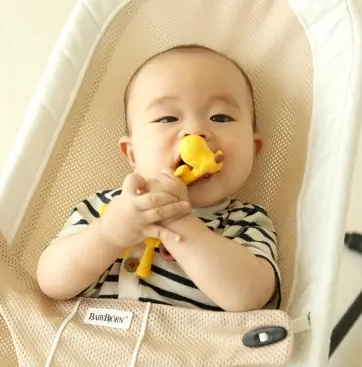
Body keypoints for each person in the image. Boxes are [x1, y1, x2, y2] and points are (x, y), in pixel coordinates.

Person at [36, 45, 280, 312]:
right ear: (132, 154)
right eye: (167, 118)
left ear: (253, 150)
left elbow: (249, 297)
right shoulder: (105, 207)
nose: (195, 132)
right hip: (87, 334)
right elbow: (51, 282)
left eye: (220, 117)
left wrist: (179, 222)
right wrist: (107, 234)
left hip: (188, 339)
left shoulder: (245, 221)